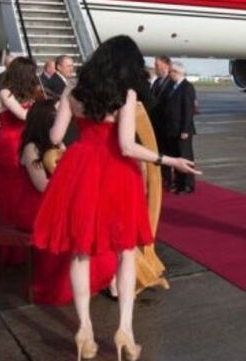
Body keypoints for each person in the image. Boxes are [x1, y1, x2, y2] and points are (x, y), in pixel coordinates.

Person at [32, 36, 200, 361]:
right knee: (126, 252)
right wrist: (169, 160)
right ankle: (125, 330)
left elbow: (54, 137)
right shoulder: (126, 94)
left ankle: (84, 330)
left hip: (80, 169)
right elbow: (126, 146)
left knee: (80, 252)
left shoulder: (72, 92)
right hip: (116, 174)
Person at [19, 99, 117, 305]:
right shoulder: (31, 148)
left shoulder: (57, 143)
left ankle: (105, 276)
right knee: (78, 226)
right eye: (56, 115)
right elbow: (42, 186)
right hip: (38, 205)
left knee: (91, 220)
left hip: (57, 200)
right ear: (45, 120)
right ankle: (92, 277)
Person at [0, 57, 40, 264]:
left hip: (19, 142)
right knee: (11, 189)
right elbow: (23, 115)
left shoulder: (15, 93)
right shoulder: (5, 93)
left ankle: (16, 241)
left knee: (18, 189)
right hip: (10, 144)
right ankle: (9, 246)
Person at [162, 62, 197, 194]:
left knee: (185, 157)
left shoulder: (187, 87)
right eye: (171, 72)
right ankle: (179, 183)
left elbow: (188, 111)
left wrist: (185, 130)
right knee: (176, 157)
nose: (171, 74)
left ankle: (188, 185)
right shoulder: (173, 86)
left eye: (173, 72)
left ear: (179, 72)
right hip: (172, 129)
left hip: (182, 130)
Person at [149, 56, 173, 187]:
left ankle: (168, 179)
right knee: (158, 151)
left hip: (166, 125)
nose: (155, 67)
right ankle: (162, 177)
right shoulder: (157, 81)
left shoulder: (172, 82)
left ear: (166, 65)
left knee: (166, 152)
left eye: (157, 65)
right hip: (156, 124)